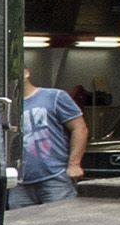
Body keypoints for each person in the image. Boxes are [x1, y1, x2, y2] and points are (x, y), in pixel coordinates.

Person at [11, 79, 87, 207]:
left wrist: (74, 164)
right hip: (19, 183)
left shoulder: (55, 96)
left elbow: (79, 128)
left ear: (26, 73)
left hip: (55, 177)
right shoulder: (7, 106)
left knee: (61, 223)